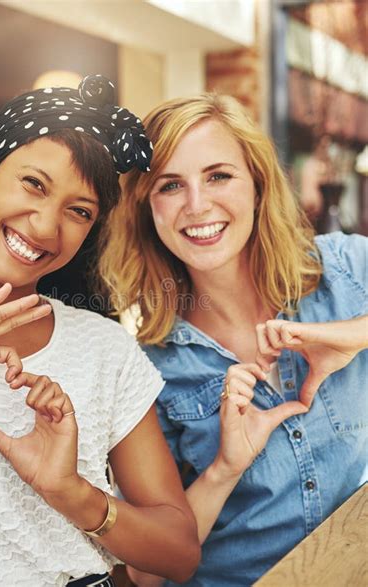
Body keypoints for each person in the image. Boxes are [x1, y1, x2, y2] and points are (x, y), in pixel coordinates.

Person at [0, 75, 200, 587]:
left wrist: (72, 494)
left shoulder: (104, 348)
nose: (43, 226)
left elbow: (179, 553)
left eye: (79, 212)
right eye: (33, 184)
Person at [99, 91, 368, 586]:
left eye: (218, 175)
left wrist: (352, 335)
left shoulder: (346, 271)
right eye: (170, 185)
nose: (197, 206)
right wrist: (225, 467)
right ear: (147, 208)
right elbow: (144, 574)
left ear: (258, 184)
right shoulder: (146, 370)